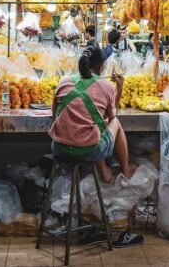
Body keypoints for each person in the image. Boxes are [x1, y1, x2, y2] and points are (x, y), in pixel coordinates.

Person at [49, 45, 136, 183]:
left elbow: (54, 115)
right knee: (114, 123)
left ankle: (105, 170)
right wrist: (119, 89)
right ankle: (125, 169)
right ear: (101, 66)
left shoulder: (63, 82)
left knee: (93, 125)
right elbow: (112, 116)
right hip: (90, 151)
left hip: (59, 148)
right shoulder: (106, 86)